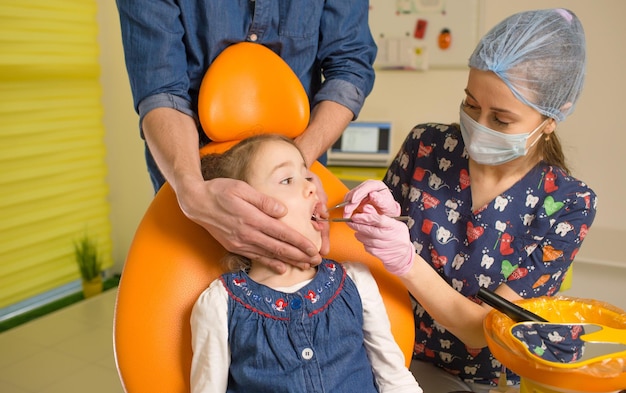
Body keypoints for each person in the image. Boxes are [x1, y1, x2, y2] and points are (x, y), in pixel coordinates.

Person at [339, 9, 597, 393]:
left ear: (551, 118)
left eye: (502, 120)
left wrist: (407, 262)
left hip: (499, 377)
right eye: (472, 105)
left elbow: (481, 330)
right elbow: (363, 254)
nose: (479, 126)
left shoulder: (569, 204)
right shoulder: (426, 146)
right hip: (403, 355)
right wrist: (370, 214)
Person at [115, 0, 377, 272]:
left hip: (304, 149)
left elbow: (350, 68)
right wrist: (193, 193)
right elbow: (161, 90)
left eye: (289, 179)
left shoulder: (352, 282)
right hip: (191, 172)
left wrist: (296, 168)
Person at [189, 134, 421, 393]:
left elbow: (395, 379)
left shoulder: (356, 282)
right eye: (287, 179)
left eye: (307, 176)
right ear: (240, 213)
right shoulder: (218, 305)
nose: (312, 187)